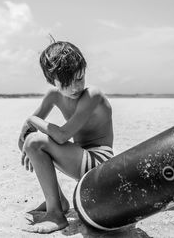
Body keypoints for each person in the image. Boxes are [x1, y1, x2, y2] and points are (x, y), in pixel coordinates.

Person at [18, 41, 114, 233]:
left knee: (36, 141)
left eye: (79, 78)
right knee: (32, 143)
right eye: (66, 84)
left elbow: (61, 136)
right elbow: (23, 137)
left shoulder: (92, 95)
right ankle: (59, 202)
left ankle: (55, 215)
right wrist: (29, 150)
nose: (74, 88)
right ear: (52, 81)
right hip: (79, 157)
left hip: (100, 162)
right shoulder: (53, 95)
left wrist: (32, 121)